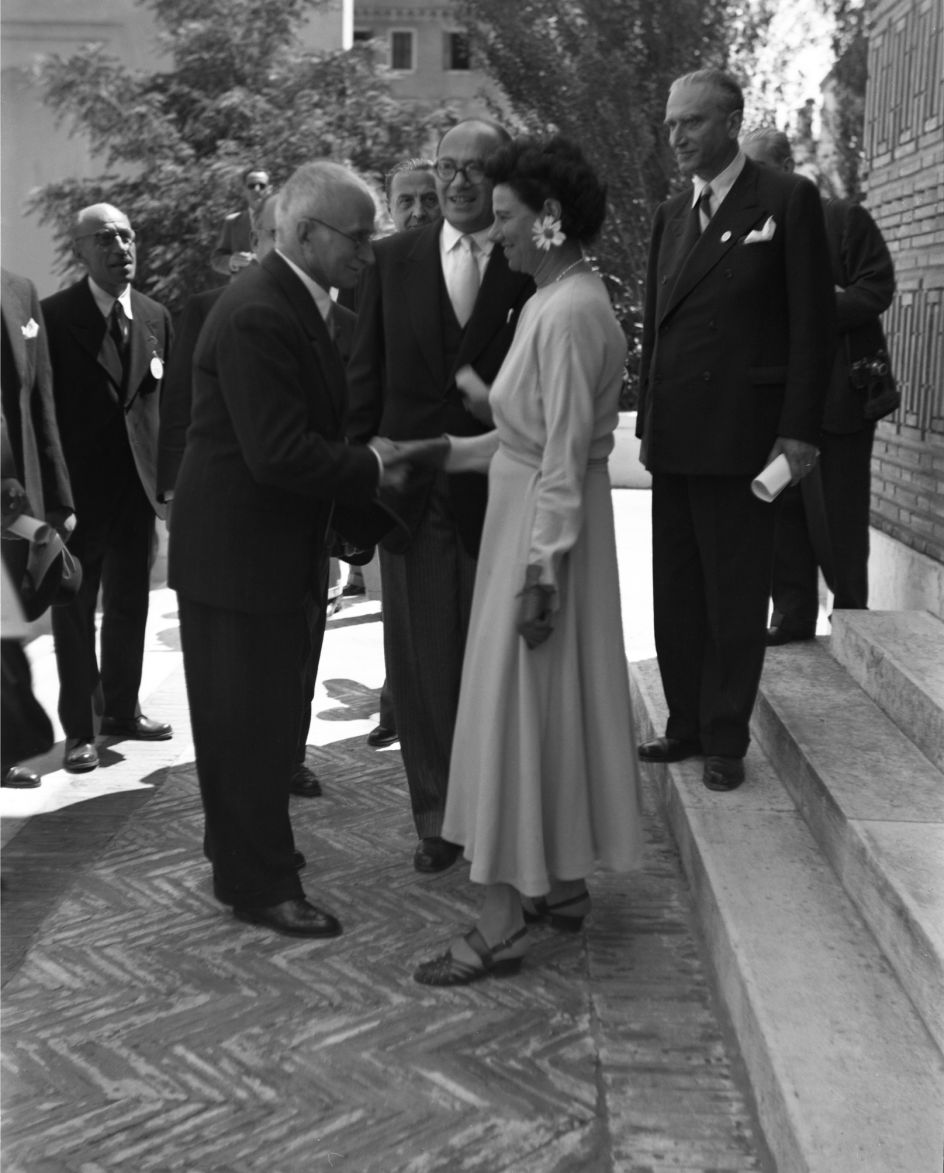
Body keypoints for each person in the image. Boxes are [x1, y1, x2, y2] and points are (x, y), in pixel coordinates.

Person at [399, 134, 643, 985]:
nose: (492, 232)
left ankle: (502, 920)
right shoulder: (553, 300)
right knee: (542, 714)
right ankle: (564, 885)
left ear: (548, 220)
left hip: (543, 550)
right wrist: (440, 449)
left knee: (514, 718)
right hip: (529, 531)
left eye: (504, 217)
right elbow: (521, 439)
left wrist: (542, 576)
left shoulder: (572, 312)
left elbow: (566, 455)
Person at [168, 160, 409, 938]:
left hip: (267, 553)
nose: (367, 254)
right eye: (358, 238)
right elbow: (279, 453)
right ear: (305, 232)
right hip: (238, 562)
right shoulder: (258, 313)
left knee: (262, 725)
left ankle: (240, 855)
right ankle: (259, 883)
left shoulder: (300, 302)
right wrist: (378, 466)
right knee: (247, 730)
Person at [635, 70, 835, 792]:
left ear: (730, 121)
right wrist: (648, 419)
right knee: (676, 591)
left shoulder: (785, 200)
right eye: (669, 125)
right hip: (677, 437)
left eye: (691, 122)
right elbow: (657, 330)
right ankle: (683, 723)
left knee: (734, 594)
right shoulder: (669, 216)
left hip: (744, 436)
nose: (677, 136)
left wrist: (799, 432)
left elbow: (813, 327)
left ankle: (725, 735)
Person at [346, 119, 534, 873]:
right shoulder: (391, 261)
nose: (457, 183)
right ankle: (437, 819)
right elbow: (364, 380)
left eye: (475, 169)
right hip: (412, 500)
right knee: (421, 671)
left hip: (501, 495)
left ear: (501, 178)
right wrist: (356, 498)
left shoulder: (530, 266)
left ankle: (492, 811)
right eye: (445, 168)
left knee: (494, 669)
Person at [741, 128, 897, 643]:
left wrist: (811, 308)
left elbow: (876, 289)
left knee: (839, 516)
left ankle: (852, 622)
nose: (752, 181)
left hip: (838, 402)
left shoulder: (843, 218)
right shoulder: (754, 228)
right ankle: (790, 617)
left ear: (787, 165)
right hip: (776, 402)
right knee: (781, 510)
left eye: (760, 169)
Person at [42, 205, 174, 773]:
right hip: (78, 496)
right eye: (104, 238)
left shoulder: (154, 316)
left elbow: (163, 410)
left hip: (136, 492)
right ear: (80, 251)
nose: (121, 247)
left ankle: (122, 709)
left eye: (127, 236)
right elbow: (40, 412)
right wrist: (52, 495)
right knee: (75, 612)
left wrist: (167, 484)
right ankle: (80, 731)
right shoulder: (51, 318)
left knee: (130, 605)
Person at [361, 159, 445, 750]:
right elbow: (363, 372)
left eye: (428, 199)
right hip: (401, 479)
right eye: (405, 202)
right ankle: (399, 705)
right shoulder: (379, 269)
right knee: (406, 620)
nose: (418, 211)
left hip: (479, 475)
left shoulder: (493, 262)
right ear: (389, 210)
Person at [1, 270, 75, 787]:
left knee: (8, 639)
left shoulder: (20, 291)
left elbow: (40, 400)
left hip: (13, 501)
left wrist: (57, 498)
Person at [210, 166, 270, 279]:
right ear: (244, 190)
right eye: (251, 186)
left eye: (262, 185)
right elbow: (216, 260)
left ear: (269, 189)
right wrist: (232, 261)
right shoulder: (232, 222)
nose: (257, 189)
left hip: (277, 291)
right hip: (243, 292)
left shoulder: (283, 220)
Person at [386, 159, 441, 233]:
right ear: (390, 210)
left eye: (430, 199)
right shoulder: (377, 244)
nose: (419, 213)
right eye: (406, 201)